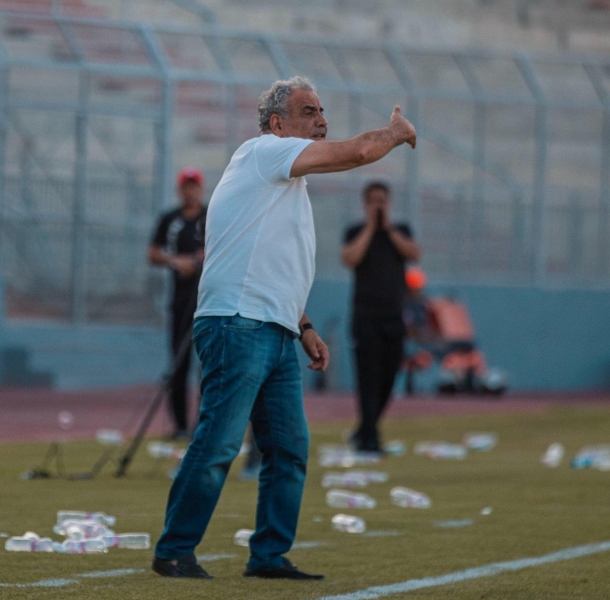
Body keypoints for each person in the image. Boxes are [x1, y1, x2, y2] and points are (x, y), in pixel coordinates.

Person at [152, 76, 416, 580]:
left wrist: (307, 325)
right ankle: (173, 550)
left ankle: (268, 556)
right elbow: (358, 152)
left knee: (289, 449)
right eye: (309, 111)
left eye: (323, 110)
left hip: (273, 327)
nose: (322, 120)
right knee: (221, 442)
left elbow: (273, 264)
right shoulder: (264, 152)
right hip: (237, 324)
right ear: (277, 123)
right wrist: (395, 132)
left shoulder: (282, 182)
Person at [341, 182, 421, 453]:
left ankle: (366, 429)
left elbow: (413, 253)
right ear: (365, 203)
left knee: (389, 376)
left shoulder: (400, 231)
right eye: (373, 200)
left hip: (393, 316)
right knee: (367, 378)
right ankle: (370, 438)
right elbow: (350, 258)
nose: (378, 205)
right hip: (365, 316)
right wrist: (370, 229)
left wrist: (388, 229)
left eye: (382, 200)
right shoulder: (355, 231)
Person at [148, 169, 207, 440]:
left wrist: (195, 263)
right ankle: (180, 425)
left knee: (207, 366)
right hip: (180, 302)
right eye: (186, 186)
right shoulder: (169, 219)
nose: (190, 192)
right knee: (179, 365)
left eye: (194, 186)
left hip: (208, 302)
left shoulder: (210, 216)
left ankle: (206, 424)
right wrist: (176, 262)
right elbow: (154, 252)